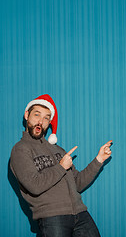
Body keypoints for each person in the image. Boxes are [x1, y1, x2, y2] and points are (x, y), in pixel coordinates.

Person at [10, 94, 112, 237]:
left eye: (46, 117)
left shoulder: (58, 150)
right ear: (27, 115)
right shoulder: (20, 149)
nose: (41, 121)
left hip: (80, 214)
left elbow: (78, 183)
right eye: (37, 114)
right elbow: (34, 186)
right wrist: (61, 167)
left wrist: (99, 160)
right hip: (52, 218)